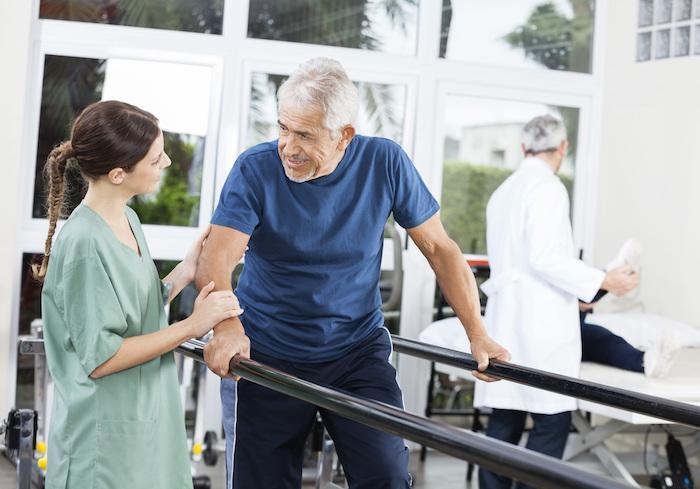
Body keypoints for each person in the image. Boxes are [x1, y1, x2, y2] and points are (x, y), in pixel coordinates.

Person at [195, 57, 510, 489]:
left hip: (355, 354)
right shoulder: (256, 168)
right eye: (283, 128)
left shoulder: (384, 162)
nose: (287, 146)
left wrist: (477, 332)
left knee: (386, 476)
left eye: (304, 134)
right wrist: (227, 327)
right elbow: (217, 258)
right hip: (266, 352)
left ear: (345, 135)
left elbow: (440, 248)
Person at [36, 100, 241, 489]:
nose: (165, 164)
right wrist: (192, 326)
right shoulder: (83, 243)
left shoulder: (126, 217)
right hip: (103, 438)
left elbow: (131, 307)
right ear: (117, 174)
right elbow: (102, 357)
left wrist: (184, 272)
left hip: (145, 422)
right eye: (154, 159)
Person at [474, 114, 639, 489]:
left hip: (509, 318)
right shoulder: (547, 187)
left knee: (505, 421)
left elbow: (523, 262)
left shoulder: (505, 190)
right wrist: (604, 280)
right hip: (539, 326)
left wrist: (578, 296)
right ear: (563, 147)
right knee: (551, 422)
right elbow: (545, 258)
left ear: (522, 147)